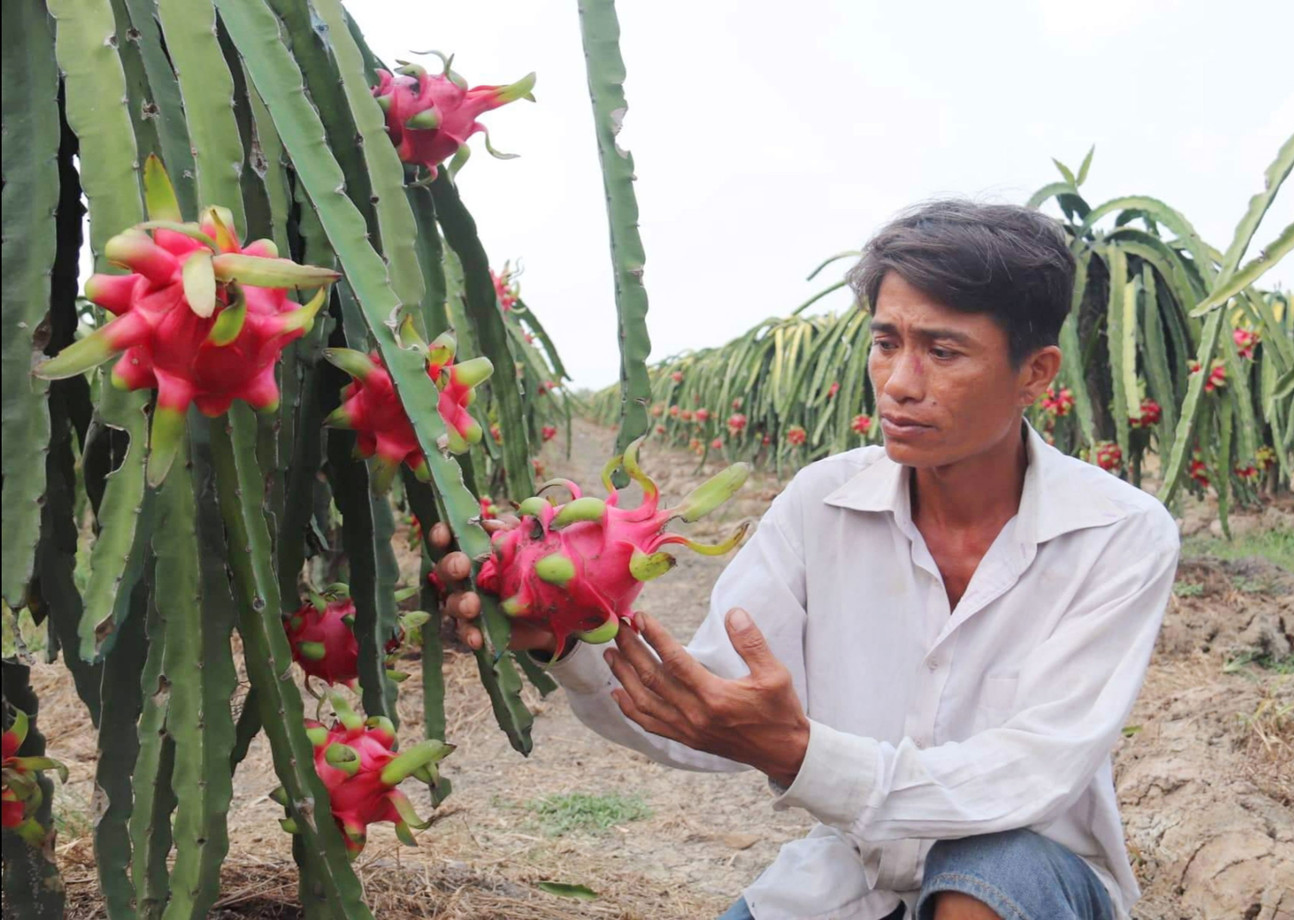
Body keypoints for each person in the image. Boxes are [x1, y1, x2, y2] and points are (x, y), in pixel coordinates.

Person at [429, 200, 1179, 920]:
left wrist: (800, 751)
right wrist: (564, 632)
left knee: (989, 871)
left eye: (943, 351)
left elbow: (1027, 775)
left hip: (1032, 887)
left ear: (1036, 373)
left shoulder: (1119, 536)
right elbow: (711, 701)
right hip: (852, 883)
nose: (900, 384)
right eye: (887, 343)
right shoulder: (822, 502)